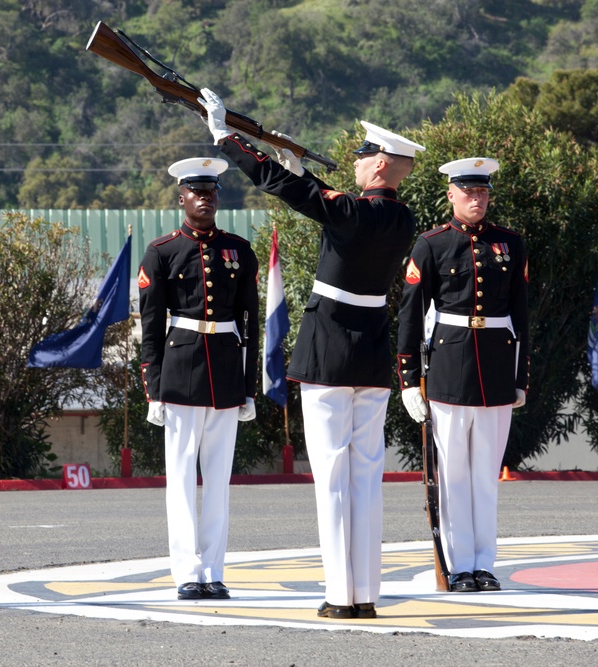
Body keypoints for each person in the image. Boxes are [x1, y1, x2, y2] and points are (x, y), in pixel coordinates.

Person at [197, 89, 423, 619]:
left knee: (331, 475)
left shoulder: (351, 210)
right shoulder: (403, 218)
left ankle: (340, 597)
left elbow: (288, 191)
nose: (357, 161)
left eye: (364, 155)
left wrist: (225, 137)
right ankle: (365, 593)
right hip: (372, 350)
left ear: (381, 164)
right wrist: (302, 171)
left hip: (328, 349)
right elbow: (337, 208)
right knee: (366, 476)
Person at [396, 157, 529, 593]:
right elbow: (410, 316)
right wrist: (409, 377)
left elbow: (521, 315)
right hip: (450, 367)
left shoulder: (510, 243)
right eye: (469, 192)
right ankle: (457, 565)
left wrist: (520, 377)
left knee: (485, 473)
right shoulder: (431, 245)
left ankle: (483, 564)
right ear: (451, 194)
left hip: (495, 366)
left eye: (483, 192)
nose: (477, 199)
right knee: (452, 473)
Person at [138, 157, 259, 601]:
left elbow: (251, 322)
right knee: (182, 480)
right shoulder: (163, 251)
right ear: (182, 197)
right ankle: (187, 571)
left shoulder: (238, 250)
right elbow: (151, 325)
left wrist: (249, 387)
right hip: (182, 370)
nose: (204, 198)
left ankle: (213, 569)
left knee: (219, 481)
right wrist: (153, 387)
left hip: (227, 370)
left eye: (211, 191)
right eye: (196, 191)